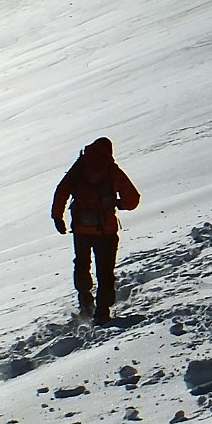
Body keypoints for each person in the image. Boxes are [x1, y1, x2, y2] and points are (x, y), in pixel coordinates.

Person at [51, 137, 140, 321]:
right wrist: (119, 204)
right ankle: (102, 312)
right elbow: (133, 199)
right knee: (105, 272)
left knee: (82, 264)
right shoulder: (111, 170)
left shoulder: (80, 167)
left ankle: (85, 300)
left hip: (81, 229)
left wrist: (58, 217)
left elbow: (62, 190)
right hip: (106, 231)